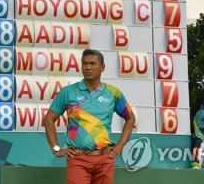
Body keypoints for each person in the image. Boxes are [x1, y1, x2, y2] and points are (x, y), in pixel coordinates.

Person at [44, 48, 136, 184]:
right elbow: (49, 119)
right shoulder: (68, 92)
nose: (88, 67)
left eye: (93, 64)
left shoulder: (113, 93)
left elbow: (130, 118)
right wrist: (56, 149)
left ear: (102, 67)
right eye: (85, 64)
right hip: (77, 158)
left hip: (105, 157)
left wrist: (121, 144)